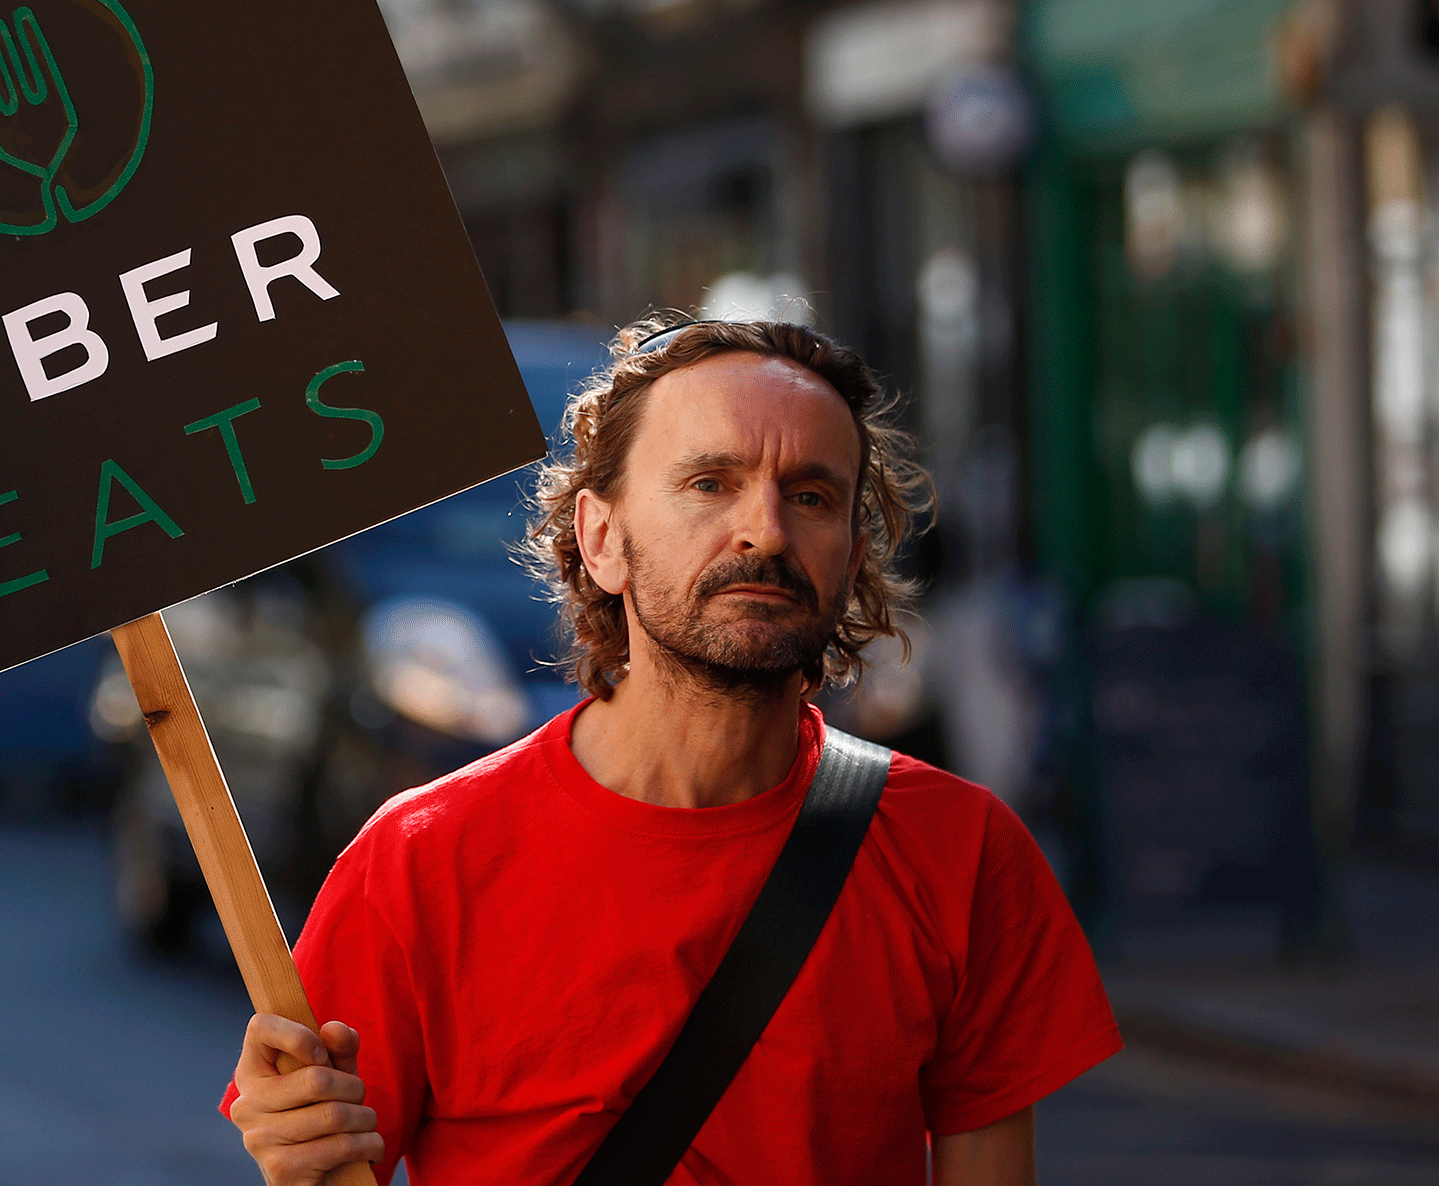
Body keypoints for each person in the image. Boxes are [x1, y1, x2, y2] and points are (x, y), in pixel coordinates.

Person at [223, 319, 1120, 1185]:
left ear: (851, 557)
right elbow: (321, 1156)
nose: (765, 532)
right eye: (709, 484)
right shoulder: (419, 861)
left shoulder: (962, 855)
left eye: (810, 496)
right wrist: (296, 1154)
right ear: (601, 539)